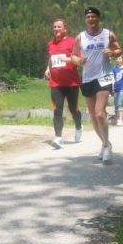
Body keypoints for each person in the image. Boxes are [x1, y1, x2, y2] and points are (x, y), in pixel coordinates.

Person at [66, 6, 122, 163]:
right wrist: (79, 61)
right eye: (88, 17)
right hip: (87, 78)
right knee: (93, 117)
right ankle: (106, 144)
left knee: (99, 113)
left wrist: (112, 53)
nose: (91, 19)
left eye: (93, 16)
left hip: (104, 76)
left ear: (98, 18)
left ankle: (106, 147)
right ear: (85, 19)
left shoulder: (108, 34)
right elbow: (73, 56)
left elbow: (119, 50)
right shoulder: (80, 37)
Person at [45, 18, 82, 148]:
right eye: (54, 27)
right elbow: (51, 58)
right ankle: (58, 138)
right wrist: (48, 69)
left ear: (65, 29)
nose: (56, 29)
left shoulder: (72, 42)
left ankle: (78, 127)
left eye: (59, 27)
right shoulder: (51, 44)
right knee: (57, 110)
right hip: (55, 83)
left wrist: (66, 59)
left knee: (73, 109)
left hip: (71, 82)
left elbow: (79, 60)